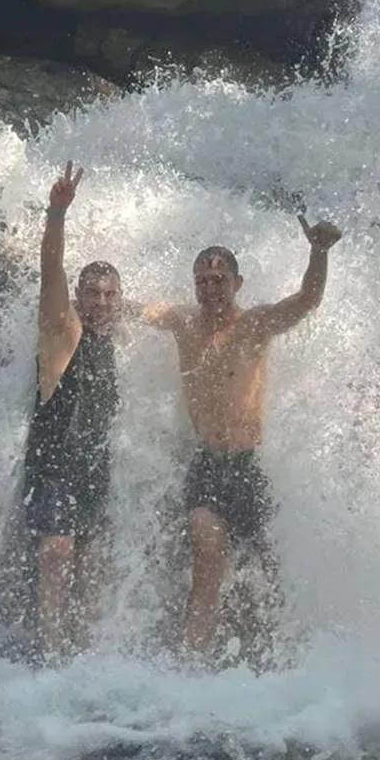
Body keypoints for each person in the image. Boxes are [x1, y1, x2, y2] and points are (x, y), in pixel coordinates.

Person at [137, 215, 342, 659]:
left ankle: (277, 666)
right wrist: (96, 303)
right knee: (206, 555)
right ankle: (192, 665)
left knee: (268, 576)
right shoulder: (183, 323)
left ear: (237, 282)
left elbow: (307, 299)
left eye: (219, 279)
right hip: (207, 466)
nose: (210, 288)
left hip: (248, 469)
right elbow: (137, 309)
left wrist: (319, 253)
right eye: (202, 280)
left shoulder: (255, 325)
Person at [22, 162, 123, 661]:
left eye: (109, 295)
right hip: (53, 463)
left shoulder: (115, 337)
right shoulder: (64, 329)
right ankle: (51, 652)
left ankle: (84, 656)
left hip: (92, 466)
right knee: (55, 552)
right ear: (79, 298)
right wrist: (57, 215)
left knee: (92, 561)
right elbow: (50, 271)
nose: (101, 302)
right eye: (93, 294)